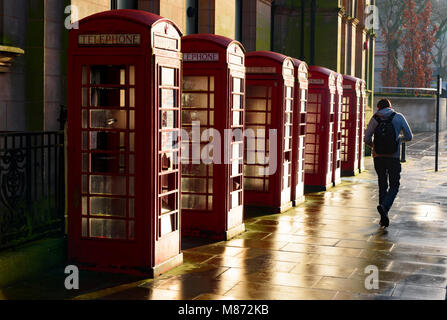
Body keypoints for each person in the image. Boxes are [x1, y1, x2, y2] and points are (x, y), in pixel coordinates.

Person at [364, 98, 413, 228]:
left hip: (378, 157)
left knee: (382, 184)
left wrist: (374, 146)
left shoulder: (375, 118)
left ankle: (383, 218)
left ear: (378, 107)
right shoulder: (398, 117)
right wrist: (397, 140)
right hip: (393, 157)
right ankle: (385, 207)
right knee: (394, 185)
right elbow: (409, 136)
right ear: (390, 107)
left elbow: (366, 138)